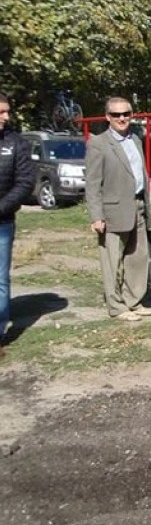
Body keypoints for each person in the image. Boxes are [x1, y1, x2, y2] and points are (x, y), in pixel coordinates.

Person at [85, 98, 151, 322]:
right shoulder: (98, 143)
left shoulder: (134, 138)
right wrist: (96, 216)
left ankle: (133, 300)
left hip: (138, 206)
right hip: (112, 211)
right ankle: (115, 306)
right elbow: (93, 183)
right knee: (111, 260)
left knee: (138, 256)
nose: (122, 118)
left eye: (126, 113)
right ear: (107, 117)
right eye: (116, 115)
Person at [0, 92, 36, 355]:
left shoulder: (15, 144)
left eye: (7, 111)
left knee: (0, 280)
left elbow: (24, 182)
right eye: (1, 112)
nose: (6, 117)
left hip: (2, 222)